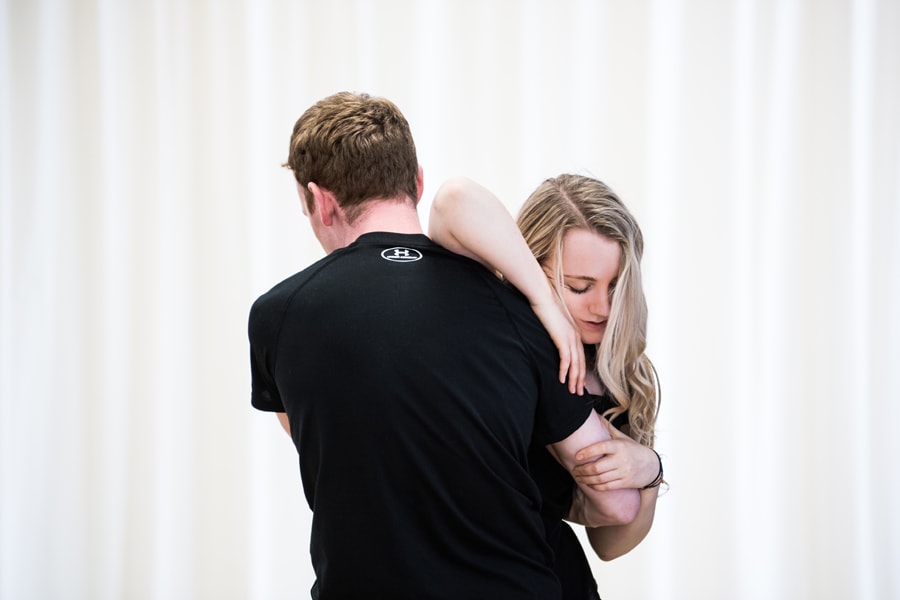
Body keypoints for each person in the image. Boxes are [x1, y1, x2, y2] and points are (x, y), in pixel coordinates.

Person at [247, 92, 639, 599]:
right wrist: (647, 467)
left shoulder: (277, 316)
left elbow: (325, 448)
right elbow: (618, 505)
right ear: (415, 182)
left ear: (319, 201)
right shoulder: (517, 309)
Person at [429, 174, 663, 599]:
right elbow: (454, 201)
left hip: (553, 579)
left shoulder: (619, 372)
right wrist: (543, 303)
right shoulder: (492, 325)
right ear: (529, 262)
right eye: (579, 286)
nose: (602, 308)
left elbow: (609, 545)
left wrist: (649, 472)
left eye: (615, 286)